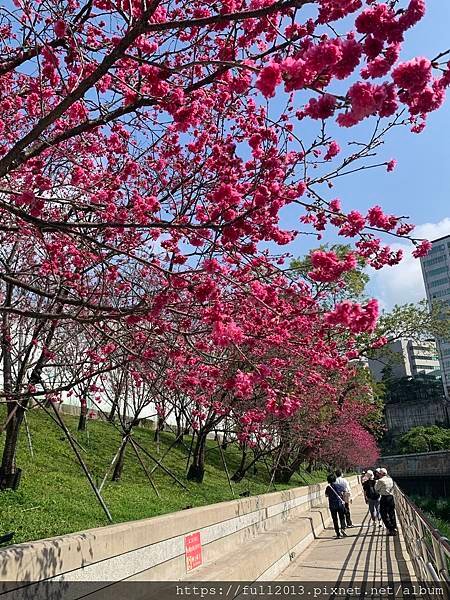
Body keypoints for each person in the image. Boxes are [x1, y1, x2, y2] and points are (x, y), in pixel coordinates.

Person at [374, 467, 398, 536]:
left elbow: (376, 489)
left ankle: (390, 528)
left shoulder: (380, 481)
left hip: (384, 498)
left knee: (383, 514)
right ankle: (394, 527)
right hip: (391, 497)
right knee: (392, 513)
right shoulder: (390, 479)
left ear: (380, 474)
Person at [325, 474, 347, 539]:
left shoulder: (328, 487)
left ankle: (338, 534)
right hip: (340, 504)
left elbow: (326, 495)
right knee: (342, 517)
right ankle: (343, 528)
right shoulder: (339, 486)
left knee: (335, 520)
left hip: (332, 505)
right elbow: (343, 492)